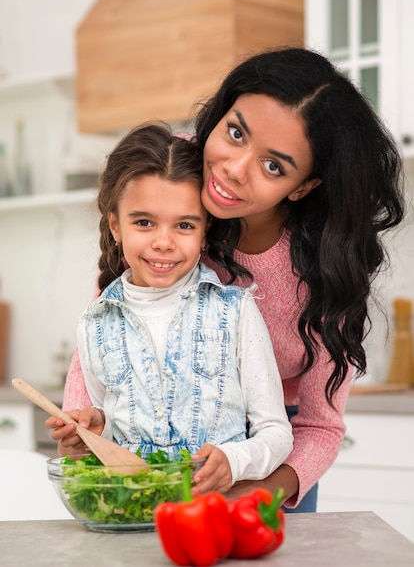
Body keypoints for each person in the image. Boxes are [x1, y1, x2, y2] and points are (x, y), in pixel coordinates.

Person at [49, 47, 405, 512]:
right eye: (236, 132)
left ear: (303, 186)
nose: (234, 169)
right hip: (162, 454)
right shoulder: (175, 175)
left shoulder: (327, 268)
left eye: (274, 165)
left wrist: (247, 492)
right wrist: (81, 421)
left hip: (276, 452)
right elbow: (108, 318)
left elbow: (319, 426)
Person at [46, 122, 293, 494]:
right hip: (129, 519)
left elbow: (276, 433)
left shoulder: (237, 311)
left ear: (205, 230)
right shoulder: (94, 323)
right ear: (115, 225)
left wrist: (233, 461)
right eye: (143, 222)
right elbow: (105, 435)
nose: (163, 242)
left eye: (184, 225)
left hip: (210, 516)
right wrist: (92, 431)